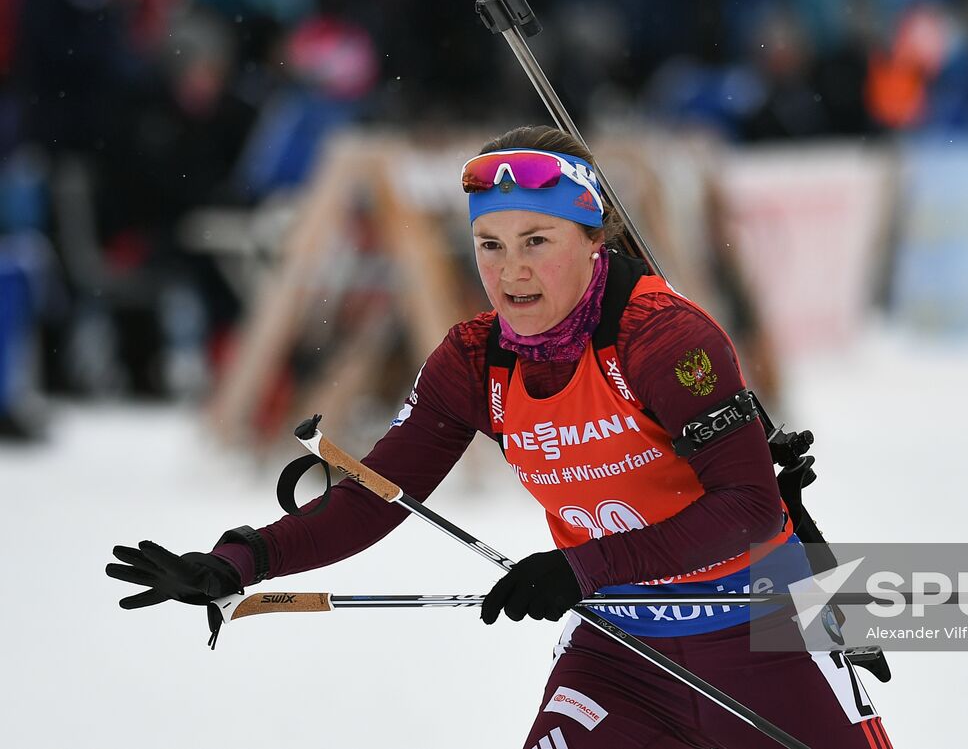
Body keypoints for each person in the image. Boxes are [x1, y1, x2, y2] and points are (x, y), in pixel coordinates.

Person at [107, 125, 893, 749]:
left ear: (594, 241)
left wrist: (584, 566)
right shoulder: (473, 360)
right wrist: (240, 558)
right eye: (490, 244)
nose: (511, 271)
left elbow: (752, 506)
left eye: (537, 241)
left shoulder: (665, 339)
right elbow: (376, 499)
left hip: (762, 637)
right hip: (623, 659)